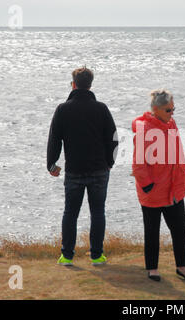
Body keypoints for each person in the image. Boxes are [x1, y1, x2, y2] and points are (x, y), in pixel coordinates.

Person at [47, 66, 118, 267]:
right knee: (98, 212)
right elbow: (113, 139)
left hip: (74, 170)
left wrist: (52, 163)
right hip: (99, 169)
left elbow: (54, 139)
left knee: (70, 212)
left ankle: (67, 255)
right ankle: (96, 255)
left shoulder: (63, 109)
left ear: (73, 84)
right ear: (90, 85)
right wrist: (109, 163)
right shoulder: (101, 108)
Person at [131, 89, 185, 282]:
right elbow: (138, 163)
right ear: (155, 109)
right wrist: (147, 185)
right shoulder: (144, 129)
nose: (172, 113)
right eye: (168, 110)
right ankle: (152, 269)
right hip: (152, 191)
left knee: (179, 229)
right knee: (152, 231)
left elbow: (178, 149)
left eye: (173, 109)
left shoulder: (171, 123)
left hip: (175, 187)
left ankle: (182, 267)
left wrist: (183, 167)